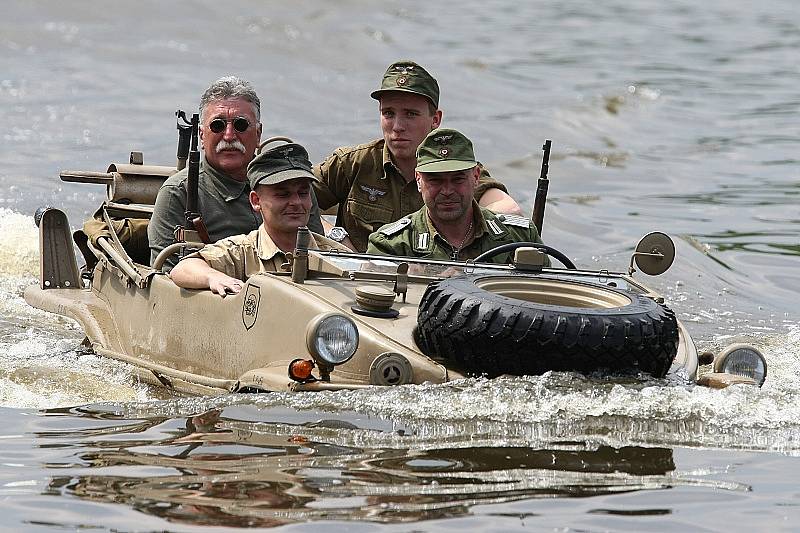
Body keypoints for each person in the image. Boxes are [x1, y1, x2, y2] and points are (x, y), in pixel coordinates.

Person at [312, 60, 522, 252]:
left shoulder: (455, 170)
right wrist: (335, 236)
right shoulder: (353, 163)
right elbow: (290, 197)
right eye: (389, 113)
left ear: (435, 119)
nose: (398, 127)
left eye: (411, 114)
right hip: (361, 282)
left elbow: (510, 211)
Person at [148, 76, 322, 270]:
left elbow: (317, 254)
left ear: (258, 134)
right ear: (202, 135)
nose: (229, 135)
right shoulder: (179, 193)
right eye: (217, 126)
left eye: (240, 125)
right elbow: (167, 278)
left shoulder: (294, 187)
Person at [169, 143, 348, 296]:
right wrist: (214, 277)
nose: (296, 202)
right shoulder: (243, 252)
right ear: (256, 201)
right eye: (282, 194)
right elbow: (182, 269)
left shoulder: (336, 256)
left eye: (303, 193)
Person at [366, 128, 547, 263]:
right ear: (419, 180)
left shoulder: (519, 237)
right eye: (435, 181)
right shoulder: (392, 246)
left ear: (476, 177)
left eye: (458, 179)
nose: (447, 191)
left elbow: (549, 297)